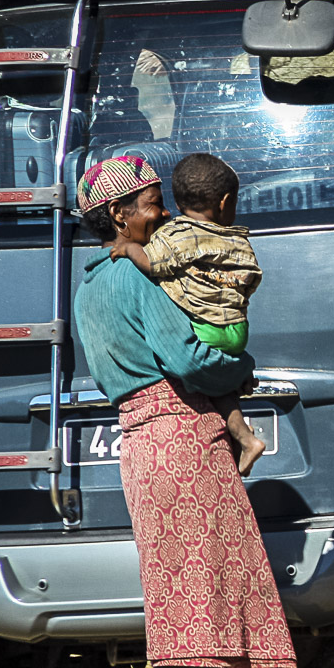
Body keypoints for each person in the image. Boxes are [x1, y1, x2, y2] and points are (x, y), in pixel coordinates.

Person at [71, 156, 294, 668]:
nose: (161, 211)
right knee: (194, 600)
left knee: (179, 596)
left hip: (144, 443)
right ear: (117, 214)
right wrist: (242, 370)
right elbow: (189, 359)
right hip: (180, 438)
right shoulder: (140, 280)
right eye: (148, 203)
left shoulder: (91, 282)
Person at [110, 152, 265, 475]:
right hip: (236, 331)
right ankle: (245, 440)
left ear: (177, 204)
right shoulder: (238, 240)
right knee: (221, 387)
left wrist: (128, 248)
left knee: (206, 384)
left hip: (205, 329)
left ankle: (239, 440)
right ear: (224, 203)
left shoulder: (175, 236)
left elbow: (154, 264)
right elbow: (249, 284)